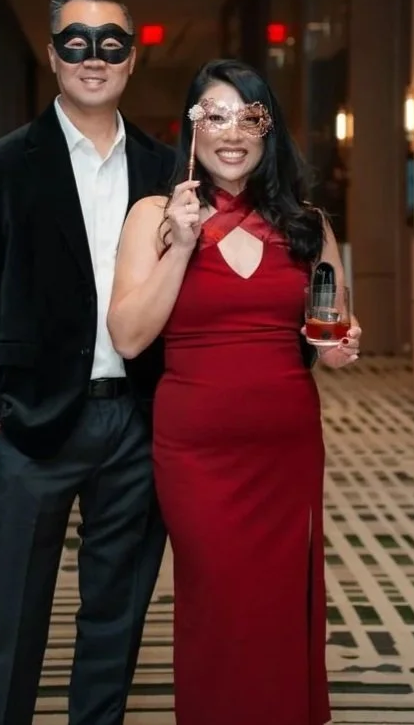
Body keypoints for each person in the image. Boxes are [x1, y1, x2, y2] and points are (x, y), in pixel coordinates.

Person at [0, 0, 176, 725]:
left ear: (130, 59)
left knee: (115, 614)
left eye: (110, 43)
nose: (93, 57)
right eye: (76, 42)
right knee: (10, 617)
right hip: (32, 425)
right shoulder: (2, 163)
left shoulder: (168, 169)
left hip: (135, 420)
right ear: (52, 55)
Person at [108, 59, 362, 725]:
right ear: (190, 128)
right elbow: (130, 337)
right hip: (195, 452)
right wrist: (182, 246)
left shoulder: (307, 225)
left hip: (284, 448)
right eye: (214, 115)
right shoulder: (153, 217)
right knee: (217, 602)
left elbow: (329, 337)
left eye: (247, 117)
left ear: (266, 130)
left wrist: (339, 344)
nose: (231, 132)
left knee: (279, 604)